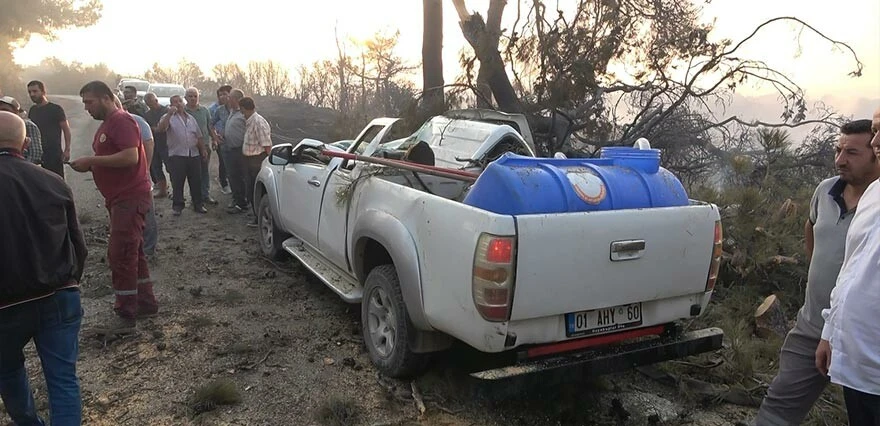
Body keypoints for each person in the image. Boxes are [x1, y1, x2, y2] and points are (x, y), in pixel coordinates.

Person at [753, 119, 880, 426]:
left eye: (851, 152)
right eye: (838, 150)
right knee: (778, 406)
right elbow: (811, 230)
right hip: (814, 324)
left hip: (864, 337)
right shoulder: (825, 191)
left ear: (876, 153)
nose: (839, 160)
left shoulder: (874, 198)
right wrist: (818, 279)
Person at [0, 110, 88, 426]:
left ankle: (27, 422)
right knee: (63, 380)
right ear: (24, 143)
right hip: (59, 295)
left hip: (6, 306)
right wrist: (69, 282)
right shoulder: (53, 181)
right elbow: (78, 245)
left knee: (7, 371)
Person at [69, 80, 159, 335]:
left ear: (106, 98)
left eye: (90, 102)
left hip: (129, 198)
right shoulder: (109, 124)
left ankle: (126, 312)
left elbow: (131, 156)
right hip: (120, 199)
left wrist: (92, 160)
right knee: (135, 252)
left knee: (121, 253)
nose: (86, 108)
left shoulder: (122, 121)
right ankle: (145, 302)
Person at [817, 107, 880, 426]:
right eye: (876, 130)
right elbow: (852, 270)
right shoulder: (873, 195)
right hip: (858, 363)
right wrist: (831, 332)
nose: (878, 140)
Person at [157, 94, 208, 216]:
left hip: (193, 154)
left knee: (196, 181)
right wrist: (169, 114)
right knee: (177, 181)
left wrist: (203, 150)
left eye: (180, 101)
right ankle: (178, 206)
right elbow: (161, 129)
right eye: (175, 102)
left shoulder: (191, 118)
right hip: (177, 155)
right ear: (171, 105)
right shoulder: (167, 117)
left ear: (183, 103)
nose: (178, 104)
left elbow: (198, 135)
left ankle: (198, 204)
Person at [27, 80, 72, 178]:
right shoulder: (32, 110)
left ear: (43, 92)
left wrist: (67, 149)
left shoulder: (56, 109)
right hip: (36, 154)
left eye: (35, 91)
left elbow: (66, 129)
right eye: (30, 92)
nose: (32, 94)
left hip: (54, 154)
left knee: (57, 182)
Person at [240, 96, 273, 225]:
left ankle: (259, 217)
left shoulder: (258, 122)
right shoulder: (250, 121)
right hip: (249, 159)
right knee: (250, 188)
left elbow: (267, 144)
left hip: (257, 160)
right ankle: (256, 214)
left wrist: (269, 162)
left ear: (243, 108)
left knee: (256, 189)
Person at [184, 87, 218, 206]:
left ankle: (205, 195)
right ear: (185, 98)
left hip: (204, 146)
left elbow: (210, 127)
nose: (193, 98)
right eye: (190, 96)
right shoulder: (183, 111)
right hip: (189, 148)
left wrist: (214, 139)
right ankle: (195, 197)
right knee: (193, 173)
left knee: (204, 172)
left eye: (195, 96)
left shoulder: (204, 110)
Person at [222, 89, 248, 214]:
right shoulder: (232, 112)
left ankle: (242, 203)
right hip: (230, 149)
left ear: (236, 100)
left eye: (230, 98)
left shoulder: (244, 114)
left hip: (240, 151)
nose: (228, 100)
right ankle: (238, 201)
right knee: (232, 176)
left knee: (240, 177)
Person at [0, 95, 42, 165]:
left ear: (16, 112)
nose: (2, 112)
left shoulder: (28, 125)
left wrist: (22, 167)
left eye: (5, 110)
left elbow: (35, 153)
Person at [144, 92, 170, 198]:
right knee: (156, 167)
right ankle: (162, 190)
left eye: (152, 102)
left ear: (156, 100)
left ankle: (177, 191)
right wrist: (156, 129)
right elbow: (147, 128)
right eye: (148, 103)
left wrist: (156, 128)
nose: (151, 104)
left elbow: (168, 126)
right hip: (154, 144)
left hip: (167, 143)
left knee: (171, 167)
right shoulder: (147, 115)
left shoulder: (166, 111)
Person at [209, 85, 232, 195]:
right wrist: (215, 138)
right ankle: (224, 183)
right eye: (220, 95)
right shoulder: (215, 109)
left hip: (236, 141)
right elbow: (210, 124)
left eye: (225, 94)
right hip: (222, 141)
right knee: (223, 162)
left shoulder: (237, 108)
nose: (223, 97)